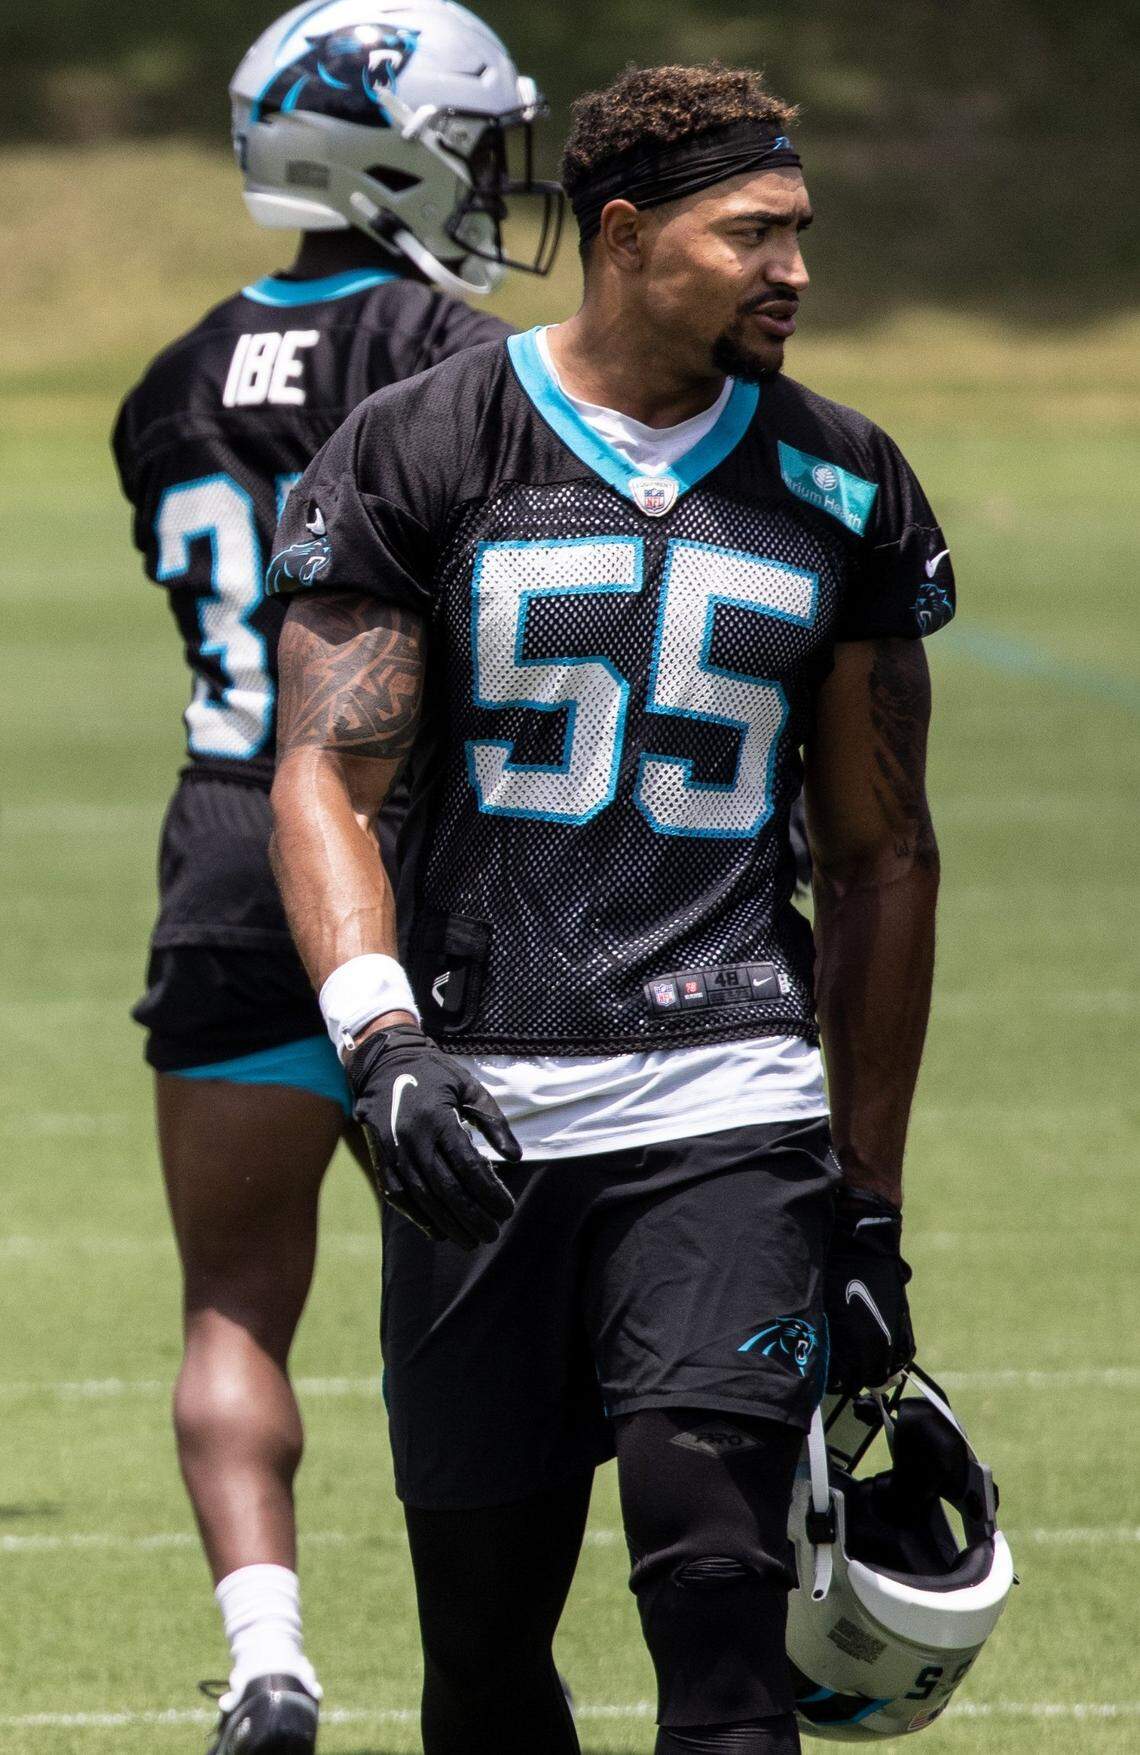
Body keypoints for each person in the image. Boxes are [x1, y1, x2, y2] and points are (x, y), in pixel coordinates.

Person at [267, 60, 955, 1755]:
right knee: (487, 1663)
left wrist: (865, 1203)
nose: (795, 269)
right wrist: (383, 1042)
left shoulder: (845, 480)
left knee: (718, 1604)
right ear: (629, 236)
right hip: (476, 1116)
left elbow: (880, 856)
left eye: (803, 231)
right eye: (753, 234)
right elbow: (322, 779)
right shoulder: (424, 443)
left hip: (731, 1096)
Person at [110, 5, 562, 1748]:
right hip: (399, 853)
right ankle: (497, 1666)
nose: (492, 176)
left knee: (232, 1297)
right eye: (475, 140)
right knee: (491, 1306)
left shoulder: (165, 380)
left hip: (224, 847)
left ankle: (269, 1654)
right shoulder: (443, 348)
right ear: (393, 149)